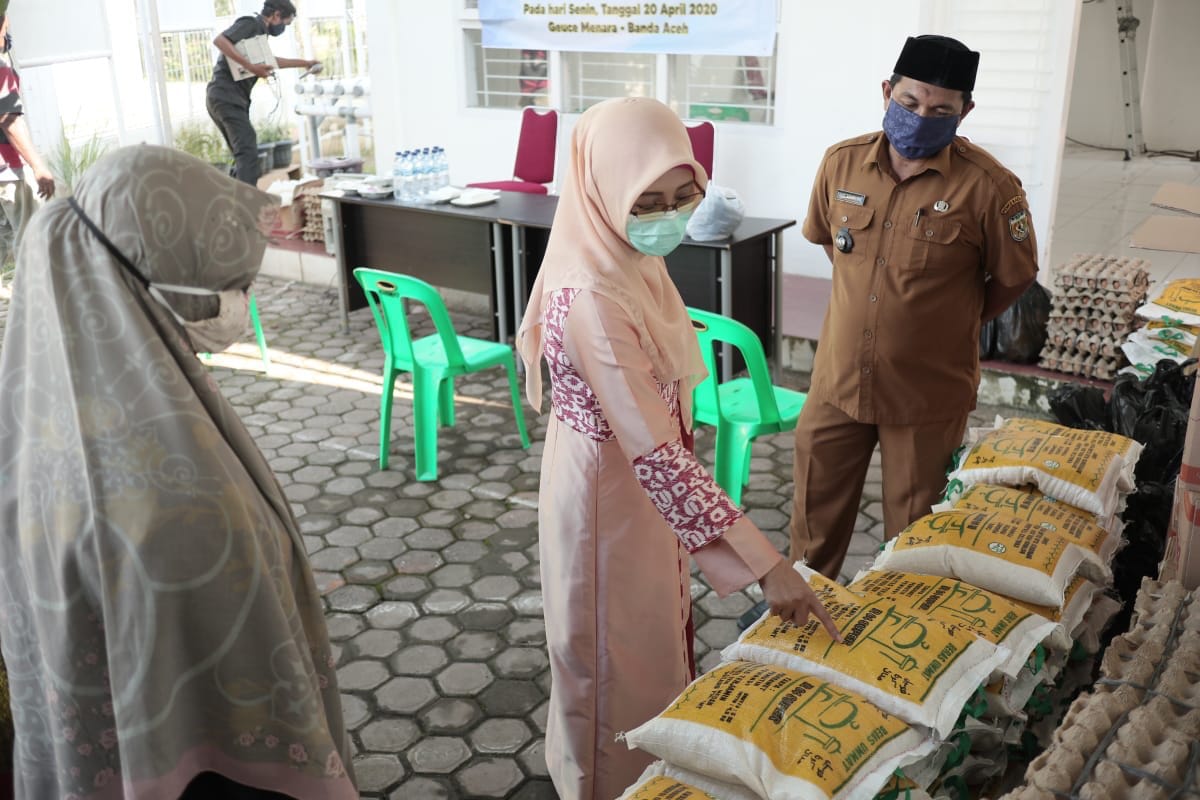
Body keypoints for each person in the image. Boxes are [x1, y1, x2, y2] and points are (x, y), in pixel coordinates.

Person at [0, 145, 357, 800]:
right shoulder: (175, 510)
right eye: (228, 289)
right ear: (142, 284)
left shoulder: (40, 425)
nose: (237, 306)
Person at [516, 97, 840, 800]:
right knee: (611, 657)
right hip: (610, 499)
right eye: (648, 200)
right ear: (604, 191)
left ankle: (634, 769)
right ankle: (611, 785)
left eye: (683, 195)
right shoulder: (595, 297)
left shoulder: (625, 256)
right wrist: (767, 567)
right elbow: (658, 456)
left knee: (649, 637)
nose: (668, 215)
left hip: (640, 488)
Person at [789, 35, 1039, 580]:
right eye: (909, 103)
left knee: (912, 537)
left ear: (964, 112)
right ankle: (798, 615)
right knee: (813, 522)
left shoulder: (990, 187)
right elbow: (832, 243)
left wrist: (954, 320)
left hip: (926, 394)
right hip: (838, 382)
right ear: (887, 92)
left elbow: (1016, 277)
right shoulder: (842, 164)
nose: (921, 118)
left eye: (940, 110)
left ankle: (894, 638)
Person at [206, 0, 317, 186]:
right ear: (276, 16)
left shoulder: (259, 35)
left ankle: (233, 199)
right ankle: (248, 206)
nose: (283, 28)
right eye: (285, 23)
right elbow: (220, 40)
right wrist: (250, 66)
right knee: (248, 155)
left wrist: (305, 63)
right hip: (226, 97)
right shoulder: (251, 24)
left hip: (223, 98)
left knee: (243, 156)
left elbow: (271, 61)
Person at [0, 5, 55, 262]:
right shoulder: (1, 67)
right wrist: (38, 165)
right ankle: (33, 297)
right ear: (4, 24)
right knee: (30, 240)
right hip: (8, 171)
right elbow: (8, 119)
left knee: (5, 240)